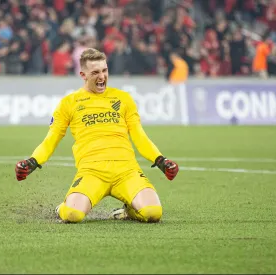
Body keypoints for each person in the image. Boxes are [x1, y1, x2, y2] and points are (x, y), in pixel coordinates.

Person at [14, 48, 180, 223]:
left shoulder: (123, 99)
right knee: (72, 215)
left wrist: (161, 160)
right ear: (83, 74)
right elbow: (51, 140)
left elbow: (140, 136)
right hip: (92, 172)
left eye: (104, 70)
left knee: (153, 213)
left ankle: (129, 210)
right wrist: (32, 162)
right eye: (95, 72)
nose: (102, 77)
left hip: (127, 171)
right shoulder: (69, 103)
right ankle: (61, 207)